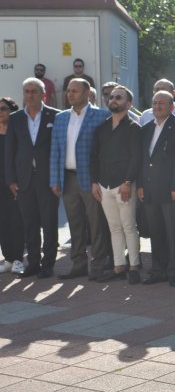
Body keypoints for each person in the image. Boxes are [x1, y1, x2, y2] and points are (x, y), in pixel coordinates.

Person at [50, 78, 112, 281]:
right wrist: (54, 179)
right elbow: (55, 150)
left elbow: (105, 151)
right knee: (75, 225)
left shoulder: (102, 115)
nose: (70, 94)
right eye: (68, 90)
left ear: (87, 93)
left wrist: (101, 179)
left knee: (96, 224)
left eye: (75, 91)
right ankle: (78, 264)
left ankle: (99, 265)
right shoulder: (61, 118)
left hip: (91, 179)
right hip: (67, 178)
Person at [5, 78, 60, 278]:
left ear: (43, 94)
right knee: (29, 223)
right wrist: (11, 180)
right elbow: (9, 151)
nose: (30, 95)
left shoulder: (56, 116)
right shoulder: (15, 118)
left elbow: (60, 149)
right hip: (24, 180)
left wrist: (57, 178)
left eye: (34, 91)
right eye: (26, 91)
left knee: (49, 223)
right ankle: (33, 263)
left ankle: (48, 264)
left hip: (48, 180)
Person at [90, 85, 142, 284]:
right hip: (104, 186)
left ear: (129, 103)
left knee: (129, 226)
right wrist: (94, 182)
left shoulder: (134, 127)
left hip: (124, 186)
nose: (113, 100)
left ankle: (134, 267)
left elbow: (136, 158)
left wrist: (128, 182)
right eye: (111, 97)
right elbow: (94, 157)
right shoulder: (101, 128)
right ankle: (118, 266)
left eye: (118, 97)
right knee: (114, 228)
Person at [138, 90, 175, 287]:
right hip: (150, 190)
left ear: (171, 106)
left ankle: (174, 272)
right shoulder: (146, 128)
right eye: (155, 103)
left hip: (170, 190)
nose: (157, 106)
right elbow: (143, 159)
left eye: (162, 103)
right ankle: (158, 270)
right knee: (156, 232)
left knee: (173, 234)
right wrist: (141, 185)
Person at [0, 97, 25, 274]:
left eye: (3, 108)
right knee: (2, 222)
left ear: (12, 111)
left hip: (14, 184)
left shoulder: (17, 133)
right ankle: (8, 259)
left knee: (16, 221)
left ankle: (18, 259)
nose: (0, 112)